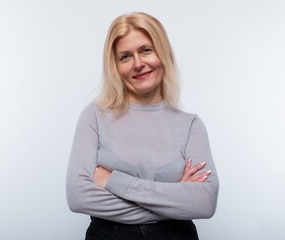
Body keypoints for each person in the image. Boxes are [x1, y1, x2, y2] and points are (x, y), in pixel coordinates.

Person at [66, 12, 219, 240]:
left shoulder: (190, 126)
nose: (138, 64)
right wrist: (174, 200)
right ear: (115, 66)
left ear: (162, 52)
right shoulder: (95, 116)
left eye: (146, 50)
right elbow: (78, 196)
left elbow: (204, 202)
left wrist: (112, 180)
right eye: (125, 57)